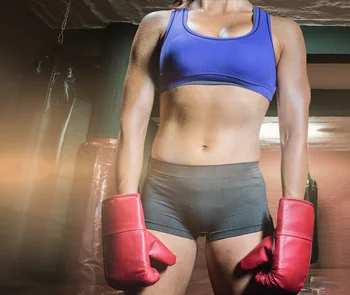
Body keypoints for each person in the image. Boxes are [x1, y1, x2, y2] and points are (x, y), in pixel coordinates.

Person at [100, 0, 314, 294]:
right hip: (164, 196)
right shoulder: (158, 24)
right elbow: (131, 123)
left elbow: (294, 134)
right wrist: (124, 213)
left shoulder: (283, 32)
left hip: (240, 199)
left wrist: (294, 228)